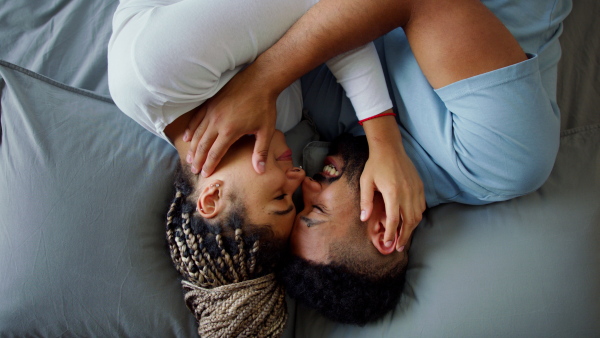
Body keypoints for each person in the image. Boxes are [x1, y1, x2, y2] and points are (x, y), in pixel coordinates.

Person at [188, 0, 571, 325]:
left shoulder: (332, 122)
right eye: (317, 209)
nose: (305, 181)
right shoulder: (498, 162)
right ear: (384, 231)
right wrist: (264, 80)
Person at [107, 0, 403, 335]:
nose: (299, 178)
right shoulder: (282, 117)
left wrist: (384, 140)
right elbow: (330, 26)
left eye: (279, 197)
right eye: (294, 201)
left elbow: (325, 7)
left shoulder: (153, 78)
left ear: (212, 198)